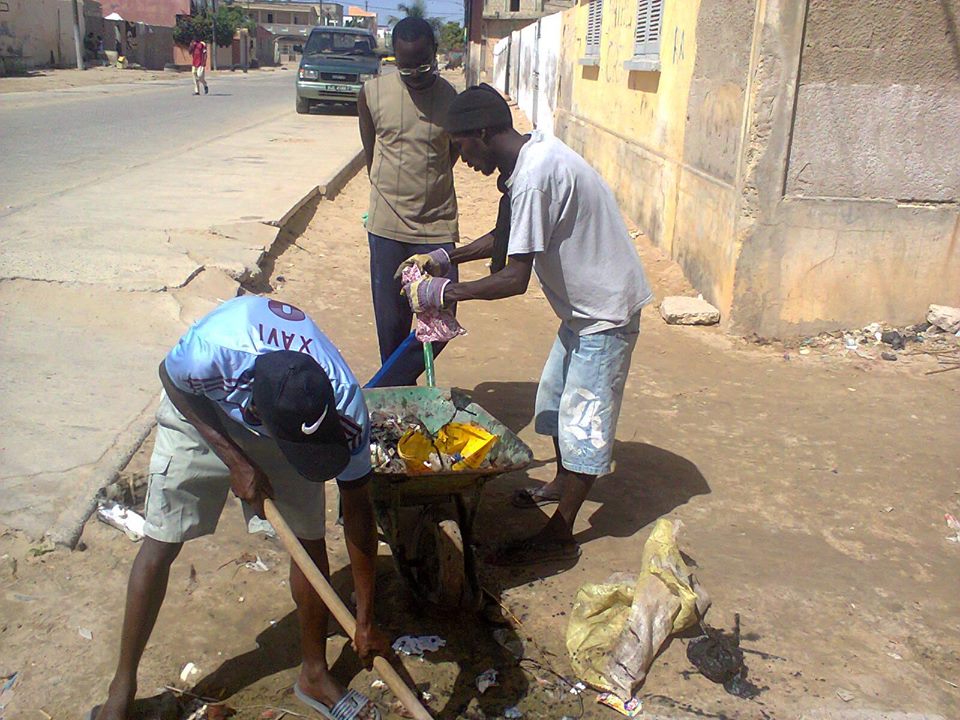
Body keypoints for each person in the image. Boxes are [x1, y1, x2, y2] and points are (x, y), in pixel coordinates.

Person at [93, 296, 388, 720]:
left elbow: (359, 510)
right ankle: (121, 687)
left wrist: (365, 619)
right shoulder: (212, 352)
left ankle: (314, 674)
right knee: (160, 541)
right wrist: (235, 458)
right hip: (201, 411)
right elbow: (171, 377)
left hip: (284, 424)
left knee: (309, 542)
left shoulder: (344, 404)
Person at [398, 85, 655, 566]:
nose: (462, 158)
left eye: (461, 146)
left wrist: (443, 292)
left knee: (585, 423)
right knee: (554, 402)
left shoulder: (536, 175)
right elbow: (507, 235)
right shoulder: (531, 158)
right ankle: (561, 481)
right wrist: (443, 257)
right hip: (583, 310)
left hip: (605, 313)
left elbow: (514, 278)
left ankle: (560, 533)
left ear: (481, 132)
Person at [357, 17, 459, 387]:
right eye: (406, 66)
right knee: (391, 324)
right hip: (387, 226)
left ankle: (383, 387)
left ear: (436, 53)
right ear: (393, 58)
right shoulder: (371, 93)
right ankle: (400, 396)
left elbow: (452, 154)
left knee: (442, 318)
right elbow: (371, 152)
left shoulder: (451, 101)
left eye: (424, 64)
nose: (415, 74)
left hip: (435, 226)